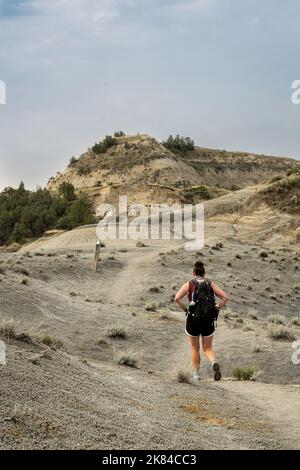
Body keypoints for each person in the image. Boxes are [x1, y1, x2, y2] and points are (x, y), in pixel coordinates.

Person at [175, 260, 228, 381]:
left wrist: (186, 310)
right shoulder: (210, 283)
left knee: (195, 348)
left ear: (194, 273)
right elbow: (225, 297)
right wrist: (218, 307)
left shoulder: (189, 284)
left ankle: (196, 374)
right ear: (204, 274)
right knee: (208, 347)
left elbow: (177, 298)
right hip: (208, 320)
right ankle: (213, 362)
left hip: (193, 319)